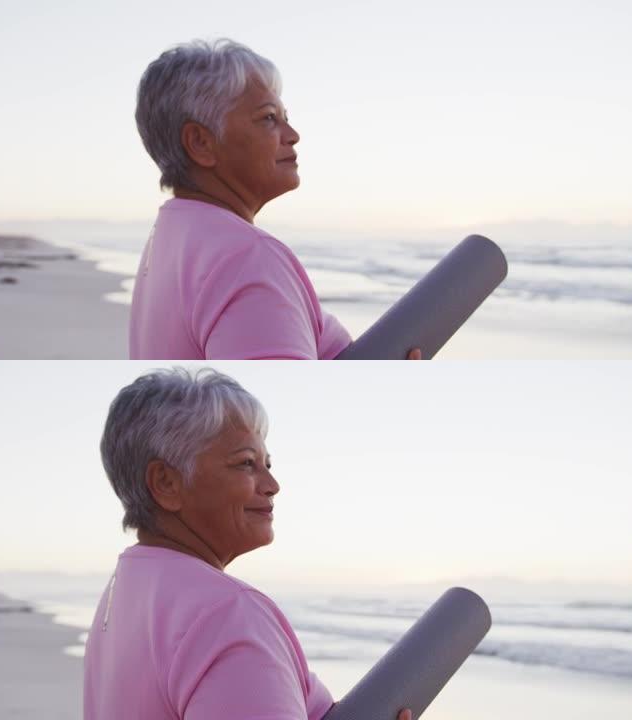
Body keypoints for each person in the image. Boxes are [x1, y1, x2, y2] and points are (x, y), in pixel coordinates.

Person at [83, 368, 413, 720]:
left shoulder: (127, 589)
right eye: (246, 464)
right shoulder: (227, 615)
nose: (272, 484)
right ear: (166, 482)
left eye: (267, 464)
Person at [129, 39, 418, 360]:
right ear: (200, 142)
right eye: (268, 118)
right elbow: (289, 408)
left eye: (285, 116)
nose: (292, 134)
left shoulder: (173, 234)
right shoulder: (245, 257)